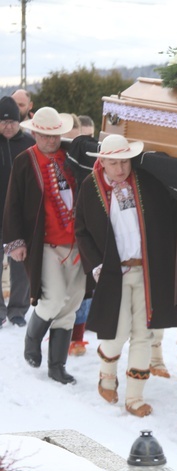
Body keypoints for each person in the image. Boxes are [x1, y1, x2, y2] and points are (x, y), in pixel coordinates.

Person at [75, 134, 177, 417]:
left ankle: (134, 397)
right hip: (113, 273)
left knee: (143, 333)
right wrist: (95, 265)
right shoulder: (90, 187)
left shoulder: (145, 183)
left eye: (124, 162)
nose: (120, 169)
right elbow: (81, 230)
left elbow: (167, 214)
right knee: (117, 331)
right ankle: (107, 374)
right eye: (113, 163)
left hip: (146, 271)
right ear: (102, 162)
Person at [3, 106, 85, 384]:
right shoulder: (25, 160)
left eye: (56, 136)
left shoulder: (73, 156)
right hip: (46, 244)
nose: (51, 141)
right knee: (53, 299)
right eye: (45, 136)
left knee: (71, 303)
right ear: (35, 133)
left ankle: (57, 365)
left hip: (76, 244)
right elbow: (12, 203)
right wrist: (15, 242)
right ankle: (32, 339)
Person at [0, 96, 33, 329]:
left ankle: (18, 309)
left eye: (12, 121)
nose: (8, 125)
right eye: (3, 121)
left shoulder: (29, 143)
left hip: (20, 214)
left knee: (20, 263)